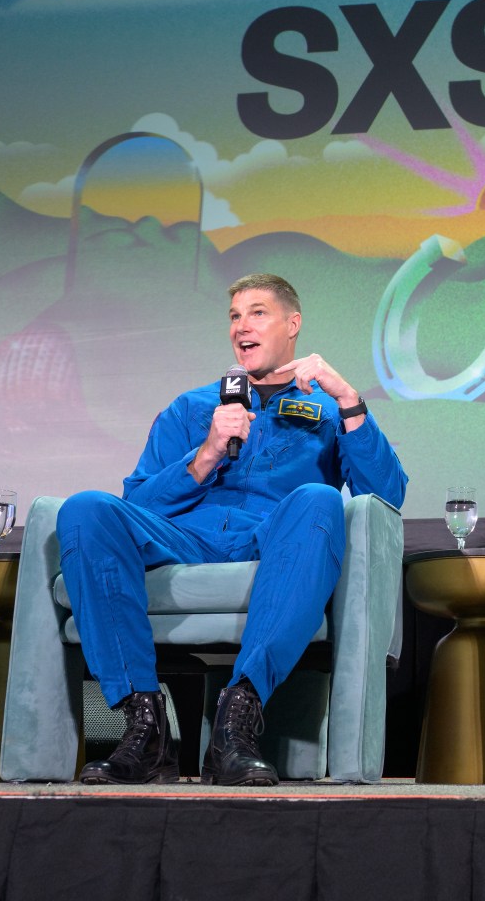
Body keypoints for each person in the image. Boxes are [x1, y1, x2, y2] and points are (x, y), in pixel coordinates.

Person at [58, 273, 407, 785]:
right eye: (235, 316)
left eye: (258, 313)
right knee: (86, 509)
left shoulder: (331, 409)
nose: (242, 327)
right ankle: (144, 724)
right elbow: (139, 503)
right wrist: (205, 456)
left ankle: (237, 723)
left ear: (293, 324)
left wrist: (349, 399)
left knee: (316, 498)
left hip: (272, 540)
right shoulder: (193, 406)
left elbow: (387, 497)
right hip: (187, 538)